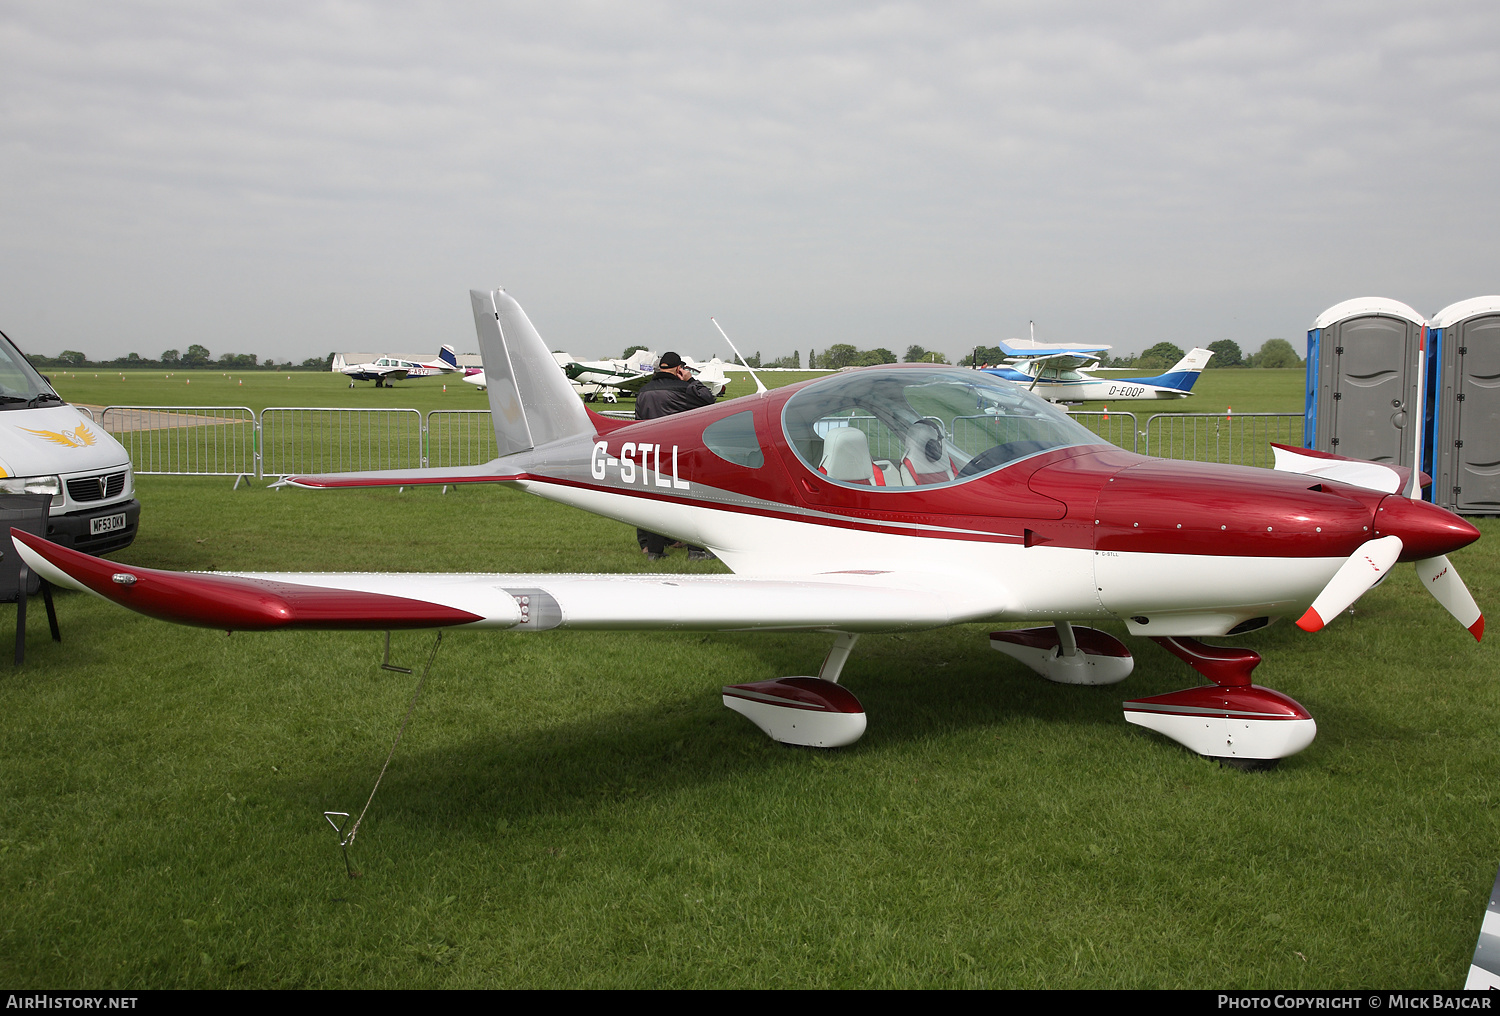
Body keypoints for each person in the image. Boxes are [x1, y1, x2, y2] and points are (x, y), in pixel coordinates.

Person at [635, 352, 717, 561]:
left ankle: (654, 551)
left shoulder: (643, 392)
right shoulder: (684, 389)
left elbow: (637, 421)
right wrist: (691, 380)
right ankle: (695, 550)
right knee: (690, 501)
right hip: (679, 453)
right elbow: (710, 401)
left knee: (655, 502)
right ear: (678, 368)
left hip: (651, 455)